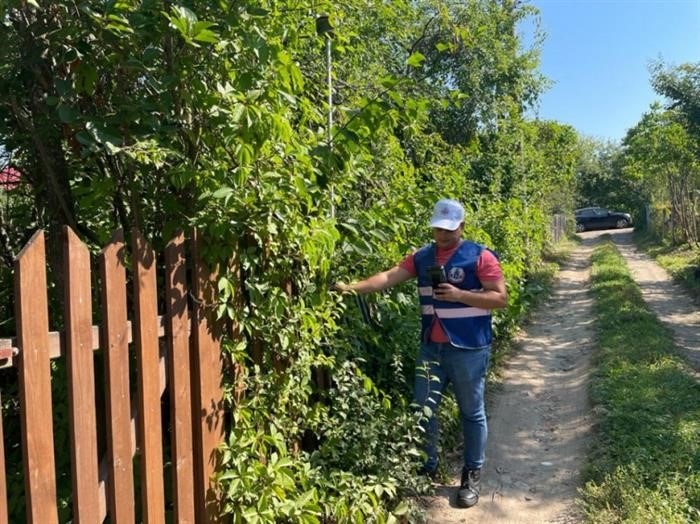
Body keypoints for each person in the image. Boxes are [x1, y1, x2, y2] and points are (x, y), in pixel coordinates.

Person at [334, 198, 507, 508]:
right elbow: (388, 277)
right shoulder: (422, 257)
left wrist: (459, 295)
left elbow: (499, 298)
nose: (442, 235)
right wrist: (353, 287)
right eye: (438, 229)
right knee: (422, 409)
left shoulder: (480, 257)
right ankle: (425, 467)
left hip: (469, 348)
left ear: (461, 227)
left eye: (449, 230)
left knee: (471, 412)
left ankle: (472, 473)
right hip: (431, 348)